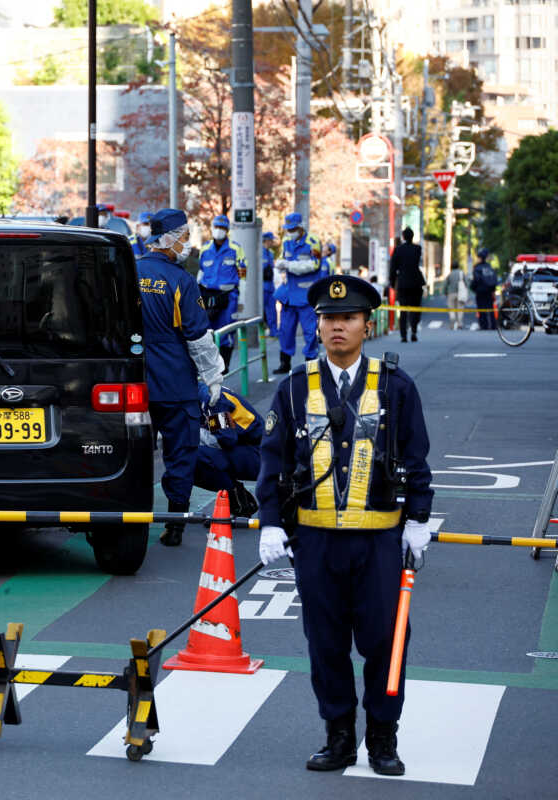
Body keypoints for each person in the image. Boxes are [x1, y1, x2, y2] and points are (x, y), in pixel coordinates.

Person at [255, 274, 433, 777]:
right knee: (326, 644)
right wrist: (271, 523)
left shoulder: (396, 386)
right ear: (318, 326)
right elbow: (272, 460)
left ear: (366, 324)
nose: (338, 327)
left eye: (348, 318)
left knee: (384, 642)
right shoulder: (293, 388)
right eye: (329, 319)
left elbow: (416, 456)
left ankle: (382, 739)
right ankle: (337, 737)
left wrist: (418, 518)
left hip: (379, 539)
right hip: (315, 541)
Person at [136, 209, 226, 546]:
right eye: (184, 236)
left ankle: (132, 519)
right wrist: (213, 377)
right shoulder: (181, 281)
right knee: (180, 452)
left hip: (136, 379)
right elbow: (198, 338)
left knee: (136, 452)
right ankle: (174, 524)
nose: (186, 244)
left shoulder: (131, 271)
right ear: (170, 238)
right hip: (175, 381)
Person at [194, 383, 261, 518]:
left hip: (261, 454)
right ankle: (238, 497)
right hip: (250, 448)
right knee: (185, 460)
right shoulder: (200, 395)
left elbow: (226, 438)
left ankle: (237, 499)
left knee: (193, 458)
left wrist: (190, 434)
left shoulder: (212, 399)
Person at [273, 212, 326, 374]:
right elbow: (281, 261)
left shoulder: (313, 242)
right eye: (288, 229)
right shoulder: (286, 242)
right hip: (289, 295)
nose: (290, 232)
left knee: (310, 331)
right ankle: (285, 362)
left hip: (306, 295)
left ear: (301, 226)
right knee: (286, 330)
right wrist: (284, 264)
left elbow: (314, 264)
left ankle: (311, 363)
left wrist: (289, 266)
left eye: (293, 228)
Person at [198, 214, 247, 371]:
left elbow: (243, 277)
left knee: (226, 331)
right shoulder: (205, 249)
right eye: (216, 227)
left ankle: (224, 365)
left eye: (222, 228)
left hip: (228, 296)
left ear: (227, 230)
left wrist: (242, 301)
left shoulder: (236, 249)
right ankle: (210, 366)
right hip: (208, 295)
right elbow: (200, 273)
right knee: (206, 331)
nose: (219, 231)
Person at [388, 228, 426, 342]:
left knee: (403, 310)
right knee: (415, 308)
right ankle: (414, 331)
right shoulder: (417, 249)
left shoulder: (398, 250)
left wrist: (392, 282)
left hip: (403, 282)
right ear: (413, 236)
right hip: (416, 282)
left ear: (403, 237)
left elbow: (393, 268)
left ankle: (403, 335)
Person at [470, 248, 498, 330]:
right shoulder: (489, 267)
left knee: (481, 309)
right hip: (489, 291)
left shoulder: (477, 268)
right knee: (490, 308)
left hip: (480, 291)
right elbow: (494, 279)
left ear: (479, 257)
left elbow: (476, 280)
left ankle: (484, 326)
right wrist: (493, 290)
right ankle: (493, 325)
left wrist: (473, 288)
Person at [262, 232, 279, 337]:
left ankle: (273, 331)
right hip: (261, 286)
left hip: (270, 286)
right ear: (266, 240)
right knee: (260, 311)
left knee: (272, 310)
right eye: (271, 240)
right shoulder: (258, 252)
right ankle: (261, 331)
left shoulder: (271, 253)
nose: (272, 242)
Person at [442, 266, 469, 330]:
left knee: (451, 308)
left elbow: (445, 284)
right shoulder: (462, 273)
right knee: (460, 309)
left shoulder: (450, 274)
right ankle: (460, 324)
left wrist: (445, 292)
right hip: (460, 294)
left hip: (451, 293)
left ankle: (452, 320)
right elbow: (467, 283)